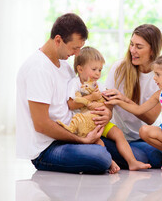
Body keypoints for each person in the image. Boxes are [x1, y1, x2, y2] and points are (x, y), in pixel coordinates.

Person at [16, 13, 113, 174]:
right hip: (47, 148)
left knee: (144, 153)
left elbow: (79, 101)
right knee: (100, 158)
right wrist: (82, 141)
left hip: (74, 134)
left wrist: (105, 113)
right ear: (58, 40)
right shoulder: (38, 69)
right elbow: (41, 124)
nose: (77, 54)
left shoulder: (65, 66)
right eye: (74, 48)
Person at [67, 46, 151, 173]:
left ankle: (132, 162)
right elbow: (71, 104)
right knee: (97, 142)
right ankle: (111, 163)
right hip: (85, 124)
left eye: (100, 70)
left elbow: (107, 107)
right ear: (80, 68)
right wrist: (92, 97)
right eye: (94, 69)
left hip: (99, 121)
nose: (98, 73)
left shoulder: (100, 85)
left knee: (118, 133)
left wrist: (108, 105)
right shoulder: (75, 84)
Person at [101, 24, 162, 169]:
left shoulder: (160, 76)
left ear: (152, 50)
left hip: (144, 138)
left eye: (139, 47)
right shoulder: (119, 69)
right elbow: (107, 108)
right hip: (118, 138)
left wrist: (124, 100)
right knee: (145, 157)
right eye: (131, 44)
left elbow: (151, 118)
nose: (132, 51)